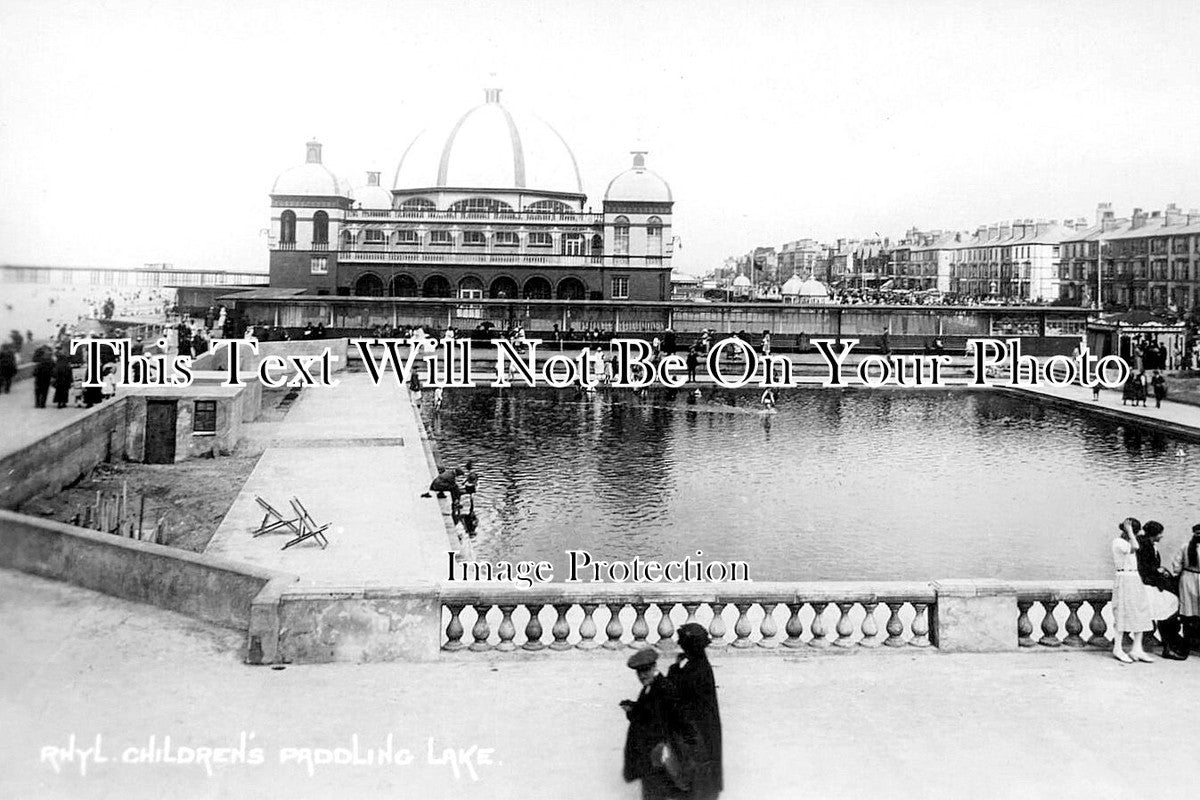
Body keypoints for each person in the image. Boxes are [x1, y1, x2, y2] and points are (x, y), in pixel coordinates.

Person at [621, 648, 689, 800]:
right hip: (650, 755)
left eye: (645, 671)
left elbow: (666, 721)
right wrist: (632, 708)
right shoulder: (650, 687)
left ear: (654, 667)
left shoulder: (663, 688)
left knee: (658, 792)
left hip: (658, 754)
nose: (642, 676)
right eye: (639, 672)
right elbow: (647, 714)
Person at [668, 623, 723, 800]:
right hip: (703, 725)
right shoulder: (698, 664)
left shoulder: (694, 669)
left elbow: (677, 691)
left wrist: (674, 670)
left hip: (696, 728)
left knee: (696, 767)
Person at [1136, 521, 1185, 659]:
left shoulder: (1146, 543)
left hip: (1149, 584)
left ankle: (1168, 646)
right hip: (1149, 586)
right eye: (1160, 533)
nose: (1162, 536)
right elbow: (1144, 567)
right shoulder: (1146, 545)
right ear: (1154, 534)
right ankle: (1168, 647)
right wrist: (1158, 570)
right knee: (1168, 610)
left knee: (1167, 611)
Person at [1111, 518, 1154, 663]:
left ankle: (1137, 649)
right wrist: (1130, 532)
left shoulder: (1127, 541)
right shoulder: (1118, 542)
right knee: (1122, 612)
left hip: (1134, 578)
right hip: (1124, 578)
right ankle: (1118, 648)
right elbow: (1135, 547)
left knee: (1139, 611)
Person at [1169, 524, 1200, 654]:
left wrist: (1177, 573)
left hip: (1187, 578)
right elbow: (1177, 564)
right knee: (1189, 610)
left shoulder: (1186, 546)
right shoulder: (1186, 547)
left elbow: (1176, 565)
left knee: (1190, 610)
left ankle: (1191, 641)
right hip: (1189, 580)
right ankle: (1191, 641)